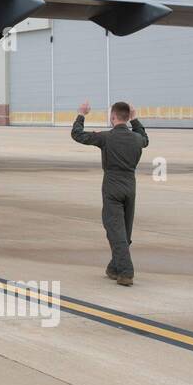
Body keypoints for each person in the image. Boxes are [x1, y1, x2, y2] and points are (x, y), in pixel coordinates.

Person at [71, 100, 149, 286]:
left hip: (112, 186)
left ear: (113, 117)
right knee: (124, 230)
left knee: (115, 230)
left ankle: (126, 271)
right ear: (128, 117)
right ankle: (114, 267)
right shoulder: (137, 139)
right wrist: (135, 120)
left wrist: (82, 114)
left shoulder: (106, 137)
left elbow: (77, 134)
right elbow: (145, 138)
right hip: (131, 187)